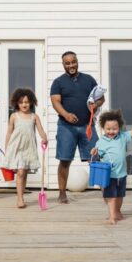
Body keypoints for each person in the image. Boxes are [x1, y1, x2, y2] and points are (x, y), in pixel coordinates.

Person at [50, 51, 105, 204]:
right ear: (63, 65)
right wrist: (66, 114)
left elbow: (101, 98)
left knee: (95, 158)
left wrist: (96, 103)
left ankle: (105, 190)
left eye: (73, 61)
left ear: (77, 61)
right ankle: (62, 193)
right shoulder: (58, 82)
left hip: (87, 125)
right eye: (67, 63)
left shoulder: (89, 80)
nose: (71, 65)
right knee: (65, 160)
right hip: (66, 127)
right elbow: (55, 102)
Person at [90, 109, 132, 225]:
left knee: (120, 196)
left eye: (114, 128)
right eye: (108, 129)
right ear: (103, 128)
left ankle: (117, 211)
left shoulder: (122, 137)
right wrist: (94, 151)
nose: (111, 131)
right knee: (111, 197)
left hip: (122, 174)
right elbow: (96, 154)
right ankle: (111, 216)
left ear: (119, 127)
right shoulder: (101, 142)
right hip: (109, 175)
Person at [2, 88, 48, 209]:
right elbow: (9, 133)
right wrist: (7, 148)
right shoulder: (14, 116)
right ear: (17, 103)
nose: (24, 104)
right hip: (17, 147)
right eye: (21, 102)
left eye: (27, 102)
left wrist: (44, 138)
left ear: (31, 102)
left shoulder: (34, 117)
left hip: (29, 148)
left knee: (24, 172)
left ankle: (21, 195)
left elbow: (41, 130)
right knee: (21, 172)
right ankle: (20, 199)